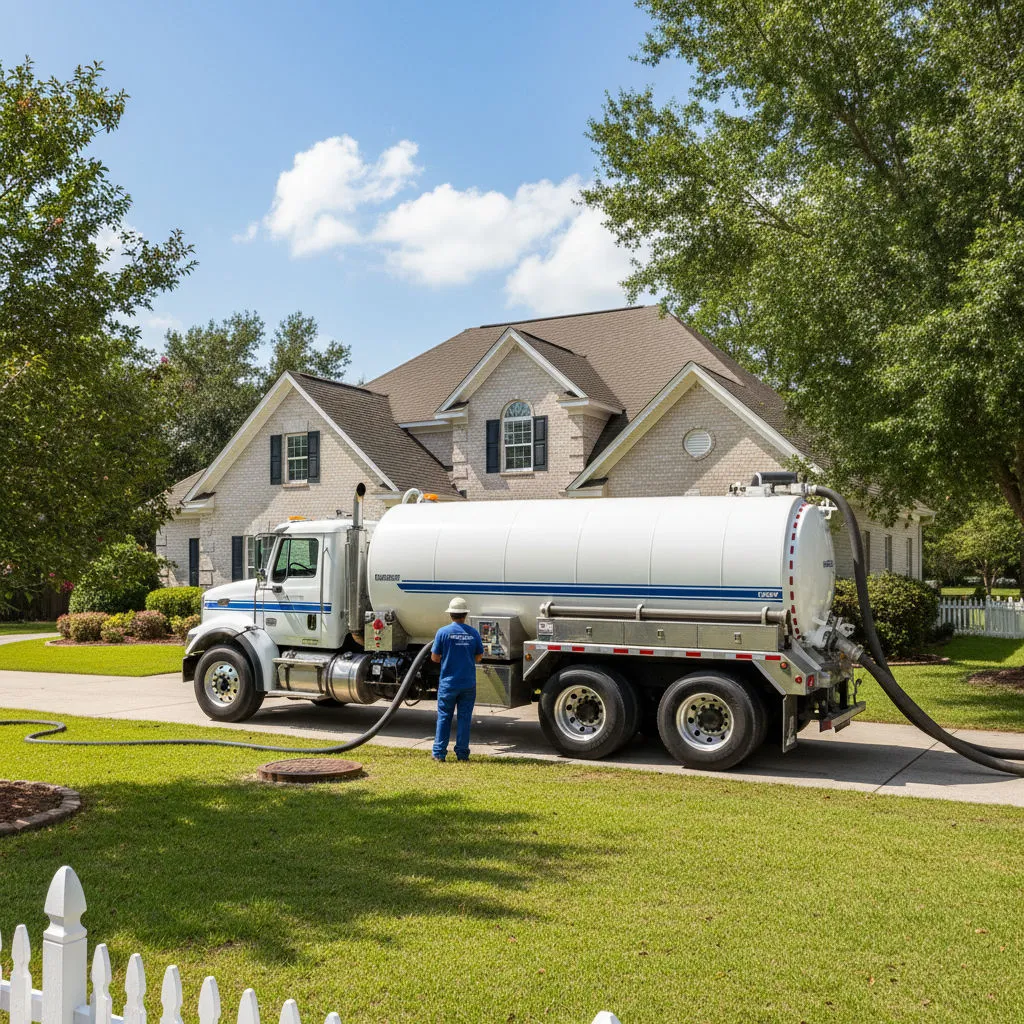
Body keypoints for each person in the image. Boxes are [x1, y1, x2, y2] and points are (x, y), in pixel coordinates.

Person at [430, 597, 483, 762]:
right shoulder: (473, 633)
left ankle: (439, 754)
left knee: (444, 717)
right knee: (464, 718)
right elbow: (479, 657)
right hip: (467, 683)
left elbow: (435, 658)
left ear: (450, 614)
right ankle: (462, 754)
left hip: (448, 684)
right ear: (465, 614)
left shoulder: (443, 632)